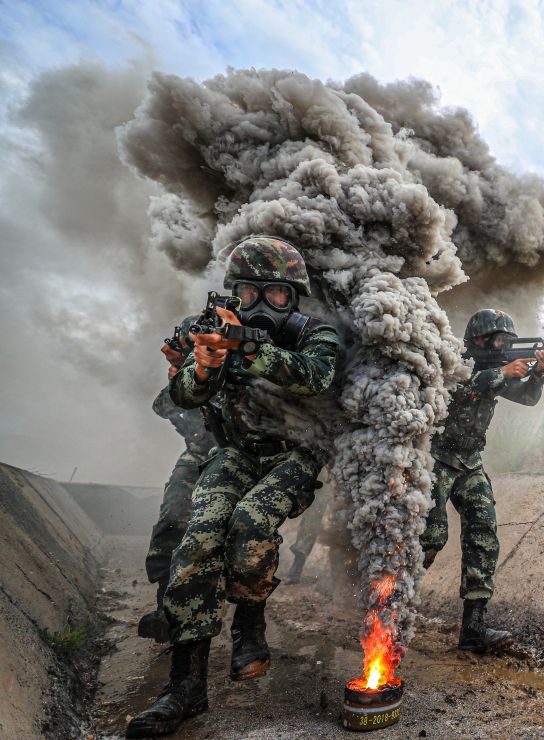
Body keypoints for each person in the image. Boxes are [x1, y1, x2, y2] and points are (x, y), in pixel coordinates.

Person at [126, 236, 340, 738]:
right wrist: (205, 362)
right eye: (249, 293)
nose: (263, 305)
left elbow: (314, 377)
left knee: (251, 523)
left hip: (296, 453)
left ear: (295, 297)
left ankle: (250, 624)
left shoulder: (315, 334)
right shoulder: (211, 332)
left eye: (277, 295)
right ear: (232, 294)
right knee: (197, 538)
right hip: (236, 452)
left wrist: (247, 345)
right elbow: (183, 395)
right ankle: (185, 686)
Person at [419, 309, 544, 652]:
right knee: (430, 538)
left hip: (470, 462)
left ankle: (474, 628)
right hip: (435, 458)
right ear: (478, 340)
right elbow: (460, 388)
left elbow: (527, 398)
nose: (503, 346)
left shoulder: (496, 370)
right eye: (497, 340)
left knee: (483, 534)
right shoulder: (452, 360)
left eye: (507, 341)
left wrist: (538, 373)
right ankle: (390, 601)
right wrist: (500, 371)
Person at [137, 318, 217, 642]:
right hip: (197, 454)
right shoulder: (185, 374)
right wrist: (181, 377)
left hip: (233, 454)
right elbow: (161, 406)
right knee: (172, 518)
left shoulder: (227, 365)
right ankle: (165, 608)